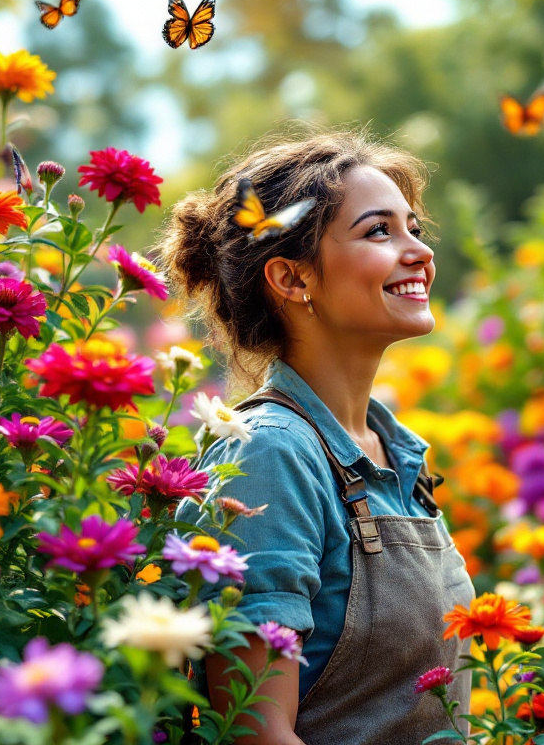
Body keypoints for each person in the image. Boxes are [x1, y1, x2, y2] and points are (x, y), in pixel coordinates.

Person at [157, 127, 474, 745]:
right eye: (379, 232)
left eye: (413, 228)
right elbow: (254, 732)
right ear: (291, 279)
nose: (419, 253)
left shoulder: (397, 454)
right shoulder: (271, 452)